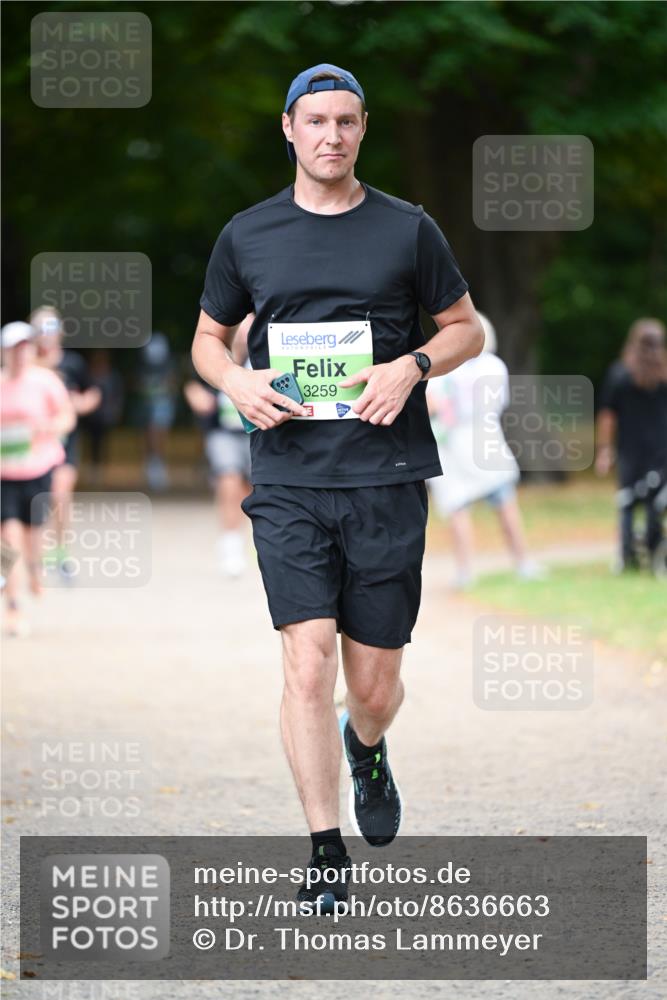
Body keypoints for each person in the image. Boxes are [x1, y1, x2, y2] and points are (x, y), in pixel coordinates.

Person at [192, 64, 483, 909]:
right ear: (288, 127)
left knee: (374, 687)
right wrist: (235, 383)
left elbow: (465, 327)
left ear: (362, 128)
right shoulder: (247, 234)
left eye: (345, 122)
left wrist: (412, 364)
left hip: (387, 477)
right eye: (315, 120)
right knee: (305, 661)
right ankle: (324, 848)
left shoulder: (408, 229)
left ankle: (367, 748)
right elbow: (210, 340)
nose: (330, 135)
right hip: (288, 479)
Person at [426, 313, 543, 588]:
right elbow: (497, 404)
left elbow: (431, 405)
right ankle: (522, 563)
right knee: (503, 505)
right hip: (481, 440)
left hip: (455, 443)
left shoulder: (443, 369)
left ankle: (467, 571)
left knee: (459, 509)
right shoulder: (494, 367)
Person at [1, 321, 75, 635]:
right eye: (14, 349)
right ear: (4, 352)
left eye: (25, 348)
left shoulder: (45, 381)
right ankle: (13, 606)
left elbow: (67, 416)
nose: (20, 354)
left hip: (38, 469)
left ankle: (34, 572)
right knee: (8, 541)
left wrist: (50, 428)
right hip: (5, 474)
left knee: (32, 541)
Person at [31, 306, 102, 579]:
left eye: (51, 328)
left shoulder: (72, 364)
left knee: (60, 494)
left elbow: (92, 394)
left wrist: (78, 406)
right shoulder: (22, 363)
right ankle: (26, 559)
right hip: (30, 446)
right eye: (40, 329)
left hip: (64, 442)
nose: (46, 336)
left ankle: (60, 552)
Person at [596, 317, 667, 570]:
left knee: (626, 504)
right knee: (655, 504)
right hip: (661, 452)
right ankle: (654, 548)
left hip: (630, 452)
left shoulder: (620, 373)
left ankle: (627, 556)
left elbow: (607, 415)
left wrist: (604, 450)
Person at [184, 315, 252, 576]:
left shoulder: (262, 355)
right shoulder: (213, 351)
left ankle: (249, 538)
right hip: (222, 431)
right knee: (228, 477)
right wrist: (196, 397)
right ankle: (230, 543)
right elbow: (192, 382)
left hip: (255, 432)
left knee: (250, 489)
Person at [134, 332, 177, 492]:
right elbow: (136, 383)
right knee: (147, 434)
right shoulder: (142, 365)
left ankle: (158, 464)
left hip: (163, 403)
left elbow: (173, 383)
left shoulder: (168, 364)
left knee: (159, 434)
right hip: (146, 404)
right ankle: (151, 465)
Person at [82, 349, 125, 486]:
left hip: (106, 416)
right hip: (91, 417)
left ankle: (100, 470)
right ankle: (94, 469)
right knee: (93, 443)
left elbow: (117, 395)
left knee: (103, 443)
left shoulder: (112, 376)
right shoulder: (89, 375)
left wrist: (115, 410)